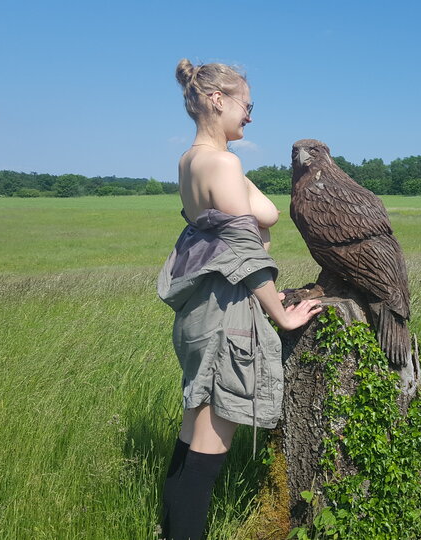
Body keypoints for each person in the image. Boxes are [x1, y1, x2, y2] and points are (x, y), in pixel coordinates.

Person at [157, 58, 322, 540]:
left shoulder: (193, 160)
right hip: (227, 313)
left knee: (191, 438)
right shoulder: (222, 163)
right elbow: (244, 249)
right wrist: (281, 314)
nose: (250, 115)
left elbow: (256, 216)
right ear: (217, 100)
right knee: (207, 456)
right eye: (246, 105)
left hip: (203, 311)